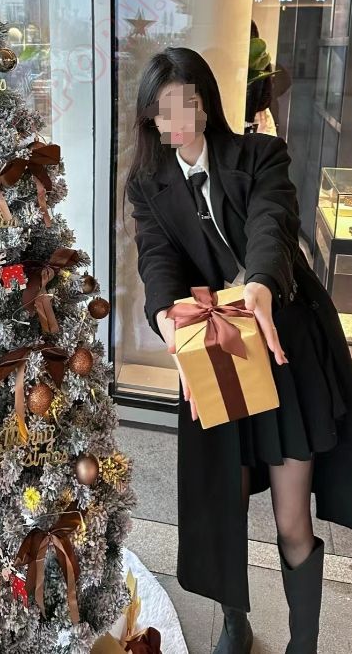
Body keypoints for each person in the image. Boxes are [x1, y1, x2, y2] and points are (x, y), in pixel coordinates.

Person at [123, 46, 352, 654]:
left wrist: (260, 285)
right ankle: (234, 622)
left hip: (283, 351)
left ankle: (303, 643)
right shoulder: (147, 184)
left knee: (291, 517)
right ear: (150, 118)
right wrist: (166, 319)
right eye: (162, 110)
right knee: (221, 502)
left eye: (187, 104)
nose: (177, 121)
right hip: (214, 360)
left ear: (206, 104)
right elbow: (157, 258)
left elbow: (272, 224)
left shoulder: (261, 154)